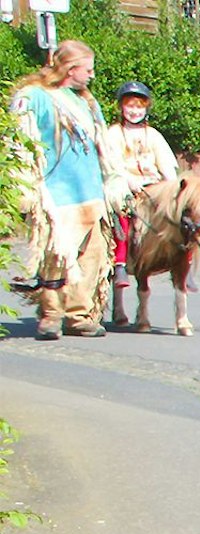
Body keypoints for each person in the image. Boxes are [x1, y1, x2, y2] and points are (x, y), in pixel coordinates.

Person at [9, 39, 122, 340]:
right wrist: (24, 184)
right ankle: (51, 315)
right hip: (56, 193)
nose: (92, 75)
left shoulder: (87, 102)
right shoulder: (36, 96)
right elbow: (19, 139)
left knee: (92, 256)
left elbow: (103, 146)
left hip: (90, 192)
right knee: (56, 257)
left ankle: (79, 316)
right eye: (88, 69)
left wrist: (113, 181)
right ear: (70, 69)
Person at [107, 81, 177, 292]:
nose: (134, 111)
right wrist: (129, 180)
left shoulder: (153, 135)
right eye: (130, 106)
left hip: (152, 184)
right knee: (121, 208)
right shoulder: (113, 133)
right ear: (121, 107)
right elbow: (112, 163)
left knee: (180, 211)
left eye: (139, 107)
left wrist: (172, 185)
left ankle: (182, 257)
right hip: (124, 184)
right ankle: (120, 261)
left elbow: (165, 162)